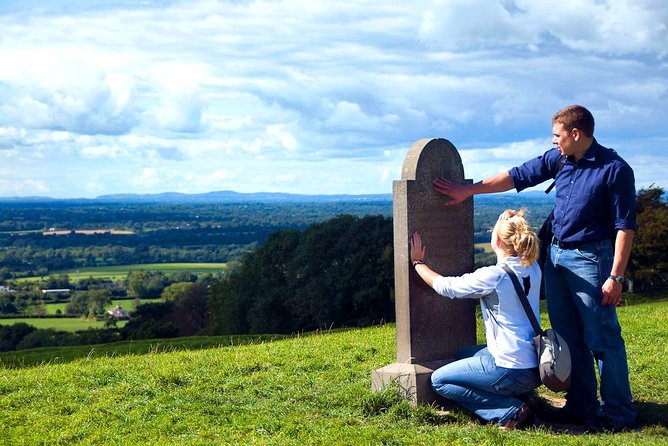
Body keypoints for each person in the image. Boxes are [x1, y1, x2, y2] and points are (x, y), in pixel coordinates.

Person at [432, 104, 637, 432]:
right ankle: (581, 406)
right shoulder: (560, 158)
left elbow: (625, 227)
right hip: (554, 257)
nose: (553, 141)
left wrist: (615, 276)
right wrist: (469, 190)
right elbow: (516, 176)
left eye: (557, 135)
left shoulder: (615, 170)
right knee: (568, 337)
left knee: (602, 337)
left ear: (576, 134)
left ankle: (618, 414)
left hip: (589, 260)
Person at [411, 209, 541, 430]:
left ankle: (507, 409)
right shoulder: (532, 267)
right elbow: (509, 241)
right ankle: (524, 397)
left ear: (497, 240)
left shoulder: (495, 275)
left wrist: (417, 263)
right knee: (464, 355)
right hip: (534, 367)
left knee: (440, 380)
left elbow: (447, 286)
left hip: (509, 368)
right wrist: (506, 223)